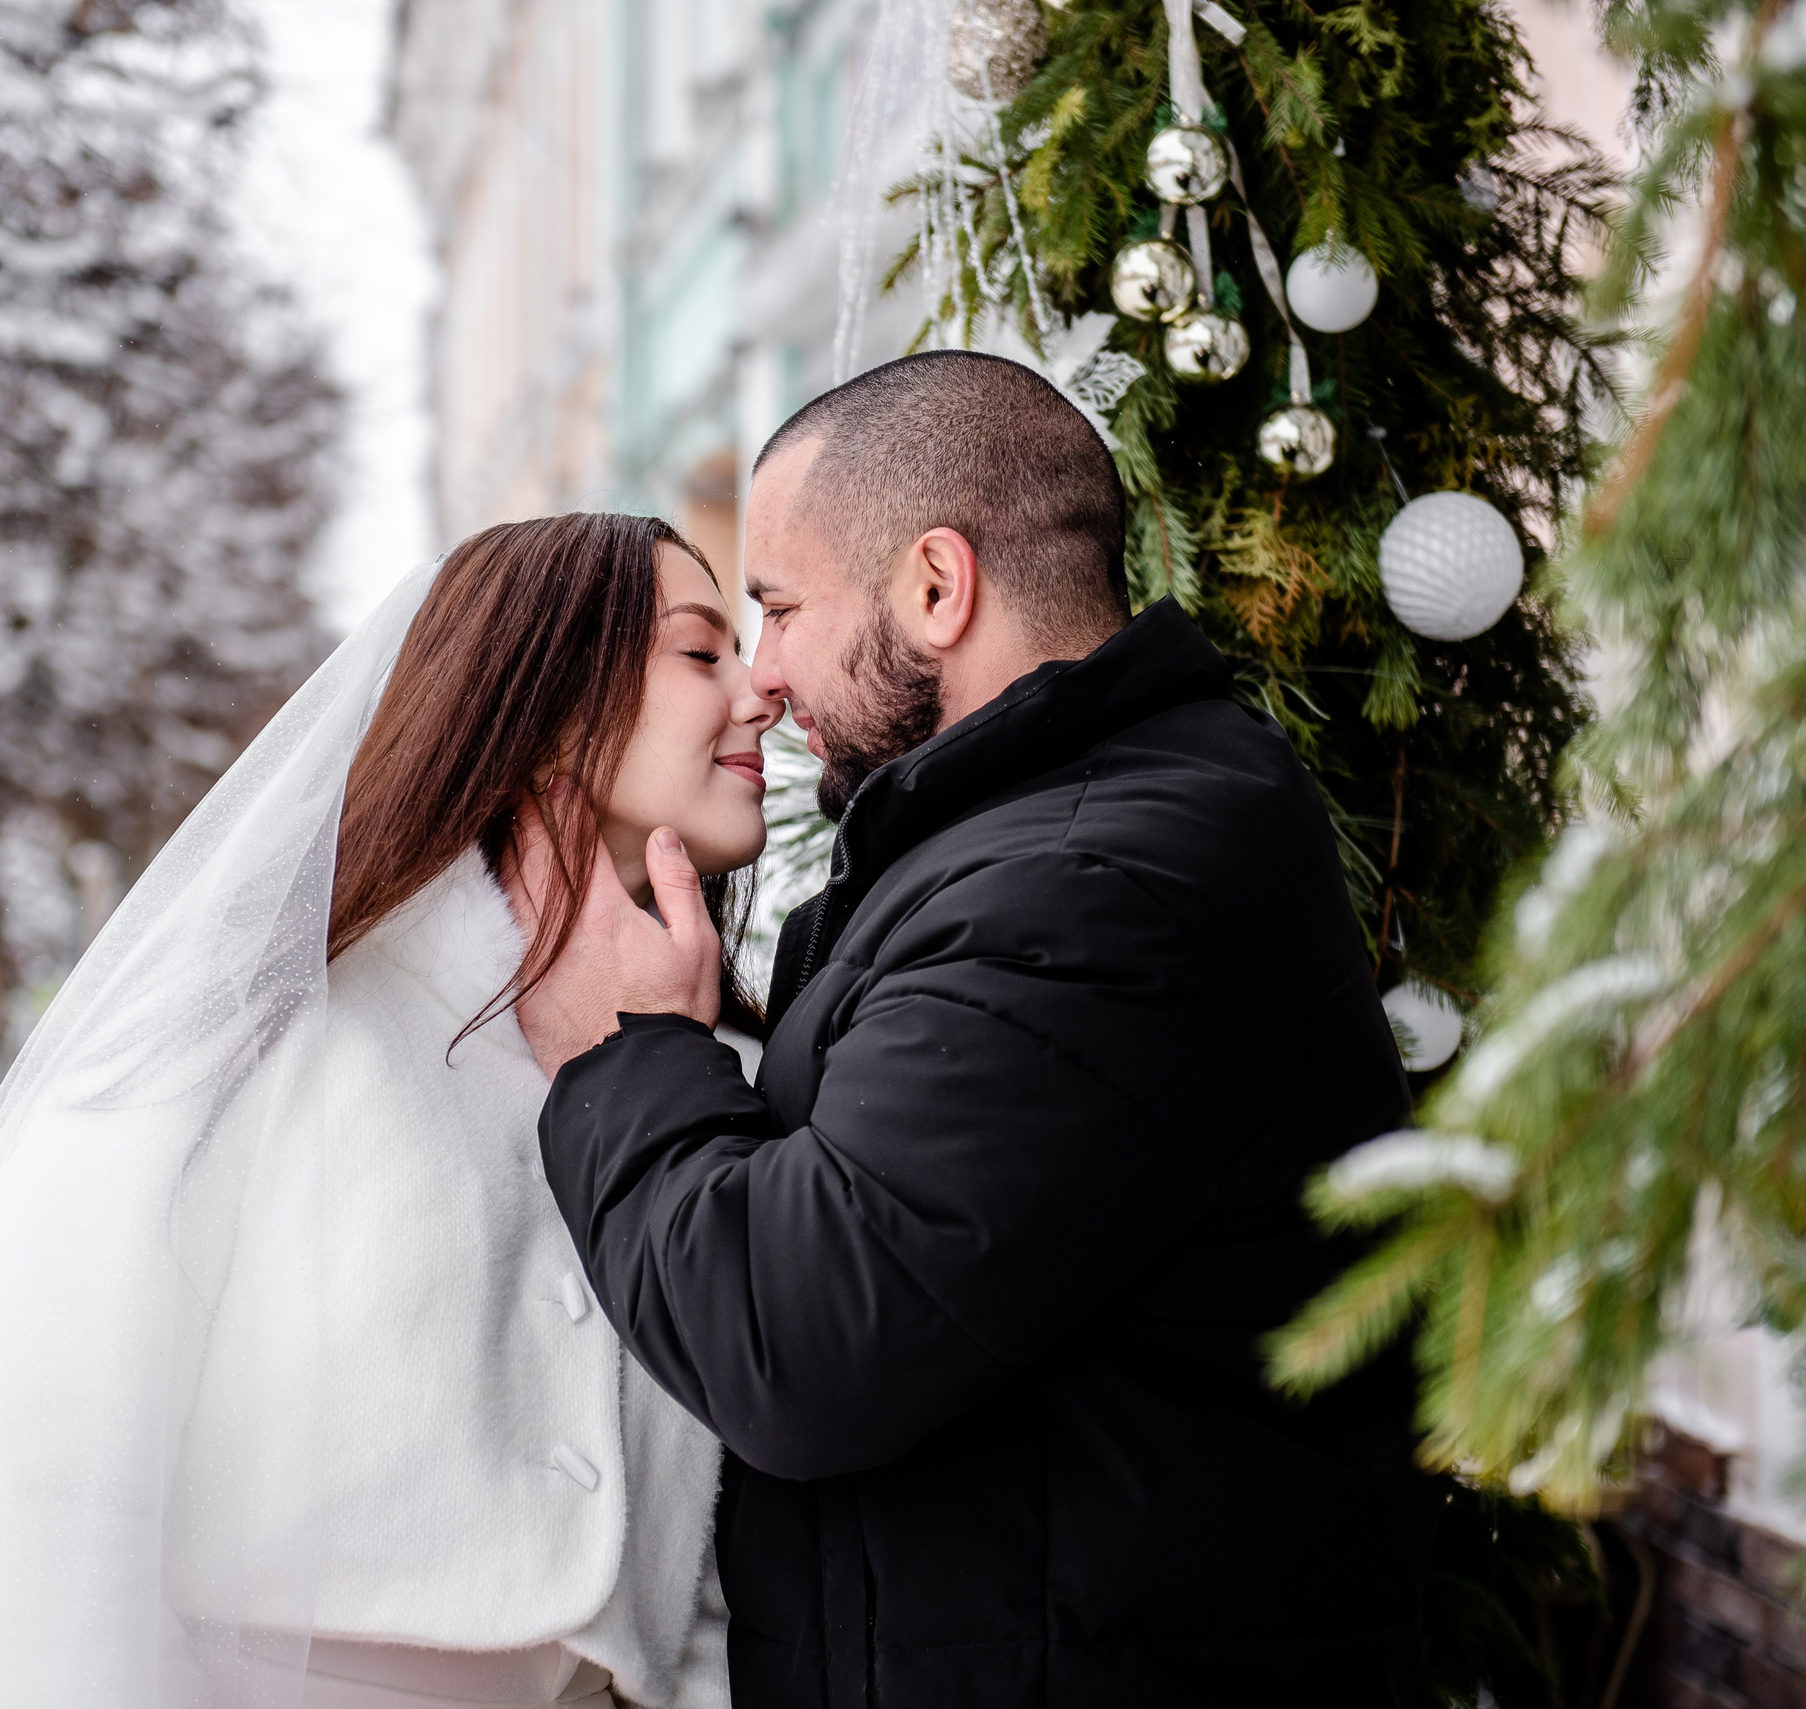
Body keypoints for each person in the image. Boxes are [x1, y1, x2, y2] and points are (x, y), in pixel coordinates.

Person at [511, 351, 1434, 1707]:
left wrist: (629, 1055)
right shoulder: (1053, 837)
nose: (764, 679)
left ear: (936, 587)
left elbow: (799, 1342)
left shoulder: (1086, 885)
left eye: (774, 610)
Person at [0, 513, 778, 1709]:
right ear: (546, 693)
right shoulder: (257, 1029)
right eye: (701, 651)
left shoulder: (715, 1080)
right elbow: (22, 1489)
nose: (761, 689)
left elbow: (721, 1538)